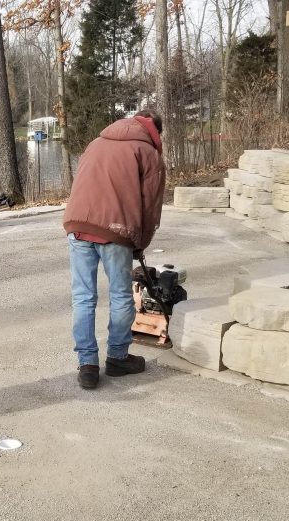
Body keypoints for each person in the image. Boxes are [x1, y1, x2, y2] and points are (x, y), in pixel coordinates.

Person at [62, 111, 165, 390]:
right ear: (155, 131)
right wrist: (140, 242)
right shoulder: (147, 152)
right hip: (116, 228)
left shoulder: (96, 142)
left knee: (83, 297)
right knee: (120, 295)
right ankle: (118, 358)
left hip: (77, 224)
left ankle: (88, 366)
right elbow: (150, 207)